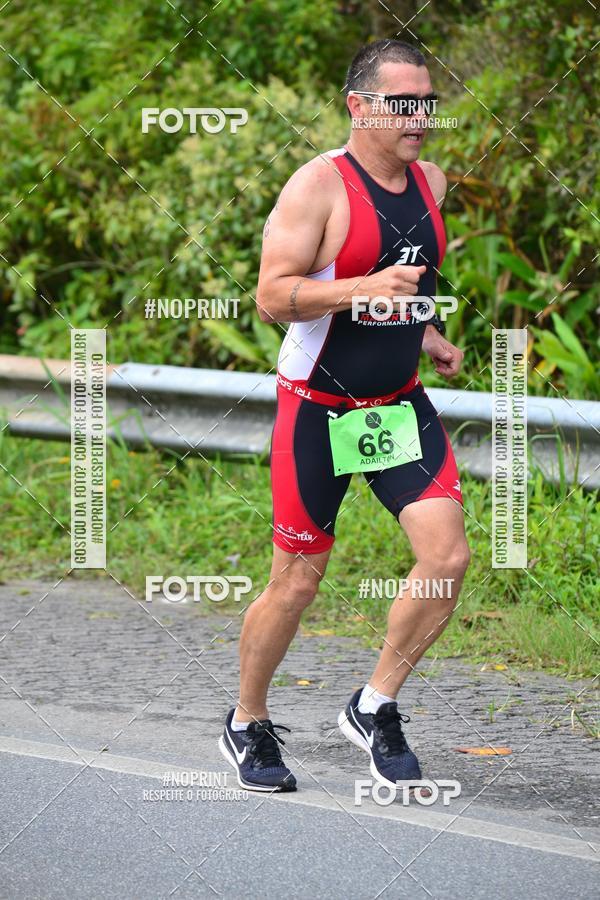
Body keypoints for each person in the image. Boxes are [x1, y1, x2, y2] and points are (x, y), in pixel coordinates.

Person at [218, 39, 470, 793]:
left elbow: (414, 270)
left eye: (427, 101)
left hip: (395, 405)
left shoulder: (432, 180)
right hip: (318, 409)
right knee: (296, 584)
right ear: (359, 106)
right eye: (402, 102)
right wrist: (361, 290)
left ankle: (375, 704)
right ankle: (247, 722)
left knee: (447, 558)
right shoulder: (317, 187)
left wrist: (424, 330)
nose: (419, 116)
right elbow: (272, 296)